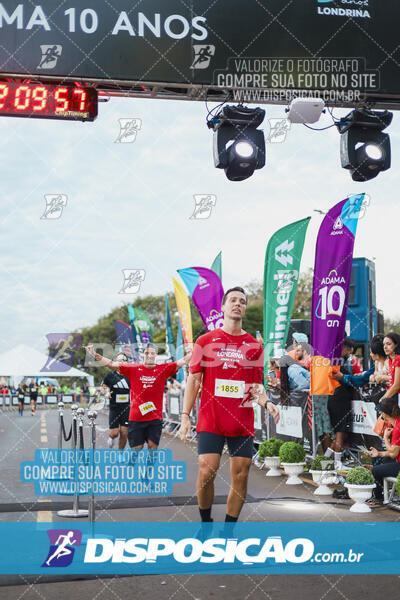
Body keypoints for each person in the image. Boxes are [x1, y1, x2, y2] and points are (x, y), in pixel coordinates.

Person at [178, 286, 280, 524]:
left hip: (240, 419)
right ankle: (205, 524)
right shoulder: (205, 341)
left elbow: (256, 386)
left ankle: (228, 531)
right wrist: (185, 416)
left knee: (241, 474)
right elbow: (194, 380)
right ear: (223, 307)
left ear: (244, 308)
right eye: (233, 300)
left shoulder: (254, 346)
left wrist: (266, 403)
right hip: (211, 418)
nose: (238, 304)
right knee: (207, 470)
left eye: (242, 301)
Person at [85, 343, 191, 449]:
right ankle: (130, 463)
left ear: (156, 355)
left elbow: (182, 361)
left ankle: (148, 466)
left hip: (155, 418)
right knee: (136, 448)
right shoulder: (133, 369)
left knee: (152, 447)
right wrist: (94, 354)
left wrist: (195, 351)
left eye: (152, 353)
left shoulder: (163, 369)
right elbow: (111, 364)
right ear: (142, 354)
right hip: (136, 418)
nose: (149, 355)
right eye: (147, 353)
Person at [326, 338, 362, 468]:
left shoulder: (334, 360)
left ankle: (323, 465)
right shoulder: (338, 362)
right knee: (340, 433)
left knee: (339, 434)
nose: (350, 352)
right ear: (344, 347)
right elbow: (348, 380)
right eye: (349, 348)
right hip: (339, 399)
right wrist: (357, 378)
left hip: (334, 398)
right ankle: (337, 465)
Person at [365, 398, 400, 506]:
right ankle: (382, 494)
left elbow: (394, 453)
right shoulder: (397, 422)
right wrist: (379, 453)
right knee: (383, 460)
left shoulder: (397, 427)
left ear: (385, 414)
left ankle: (378, 497)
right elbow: (394, 451)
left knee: (375, 470)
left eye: (380, 412)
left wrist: (385, 437)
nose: (380, 415)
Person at [102, 352, 131, 449]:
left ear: (127, 362)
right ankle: (111, 438)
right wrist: (106, 392)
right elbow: (104, 386)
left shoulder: (130, 375)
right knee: (114, 433)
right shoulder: (110, 375)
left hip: (126, 407)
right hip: (114, 407)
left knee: (124, 432)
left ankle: (120, 453)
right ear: (115, 362)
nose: (121, 362)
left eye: (123, 360)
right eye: (119, 360)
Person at [379, 332, 400, 403]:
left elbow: (397, 385)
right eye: (384, 344)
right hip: (394, 397)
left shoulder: (398, 359)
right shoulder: (390, 361)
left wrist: (383, 398)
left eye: (388, 344)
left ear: (396, 345)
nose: (385, 347)